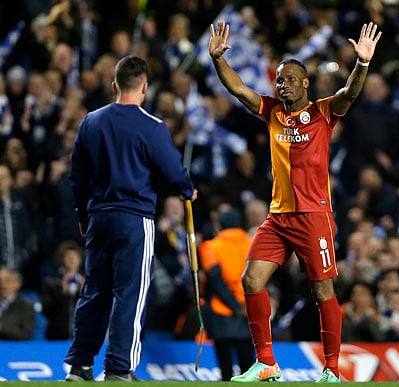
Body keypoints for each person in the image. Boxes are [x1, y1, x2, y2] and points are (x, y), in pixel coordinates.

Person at [208, 20, 382, 383]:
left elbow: (349, 93)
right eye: (279, 79)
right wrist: (218, 61)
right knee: (251, 280)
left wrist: (362, 63)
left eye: (289, 79)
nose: (281, 84)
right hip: (277, 217)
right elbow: (239, 89)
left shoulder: (322, 112)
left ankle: (332, 370)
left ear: (304, 83)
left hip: (313, 217)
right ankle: (266, 363)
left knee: (322, 290)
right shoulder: (271, 111)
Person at [64, 55, 197, 382]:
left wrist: (83, 215)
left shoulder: (91, 122)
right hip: (134, 218)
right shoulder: (151, 126)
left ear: (114, 85)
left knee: (94, 291)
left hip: (98, 217)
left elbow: (77, 178)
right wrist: (187, 189)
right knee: (130, 294)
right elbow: (173, 170)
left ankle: (79, 366)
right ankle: (119, 368)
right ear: (145, 87)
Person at [199, 207, 254, 381]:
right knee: (249, 369)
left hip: (221, 311)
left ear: (219, 224)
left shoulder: (210, 247)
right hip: (249, 310)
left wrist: (234, 306)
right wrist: (244, 305)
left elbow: (216, 281)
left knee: (226, 370)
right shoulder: (253, 244)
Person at [41, 240, 85, 340]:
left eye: (75, 257)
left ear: (80, 260)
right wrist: (62, 294)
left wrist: (84, 294)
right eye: (69, 257)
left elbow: (95, 310)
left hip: (82, 336)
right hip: (56, 336)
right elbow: (46, 310)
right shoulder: (51, 282)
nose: (72, 259)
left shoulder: (88, 282)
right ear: (61, 259)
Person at [0, 266, 35, 340]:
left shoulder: (26, 306)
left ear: (17, 284)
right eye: (0, 281)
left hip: (12, 349)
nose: (3, 285)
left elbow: (26, 335)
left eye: (7, 280)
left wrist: (2, 328)